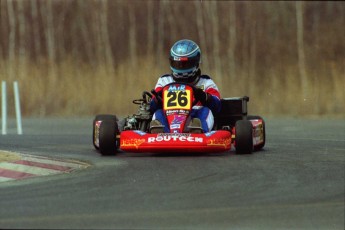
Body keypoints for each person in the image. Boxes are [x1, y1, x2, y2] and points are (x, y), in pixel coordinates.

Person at [149, 39, 221, 133]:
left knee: (206, 111)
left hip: (194, 115)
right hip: (168, 117)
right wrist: (158, 97)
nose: (181, 67)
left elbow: (217, 106)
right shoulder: (164, 81)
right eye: (177, 64)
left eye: (185, 64)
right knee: (158, 112)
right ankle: (159, 130)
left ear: (196, 63)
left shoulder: (206, 82)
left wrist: (203, 96)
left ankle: (197, 130)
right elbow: (152, 106)